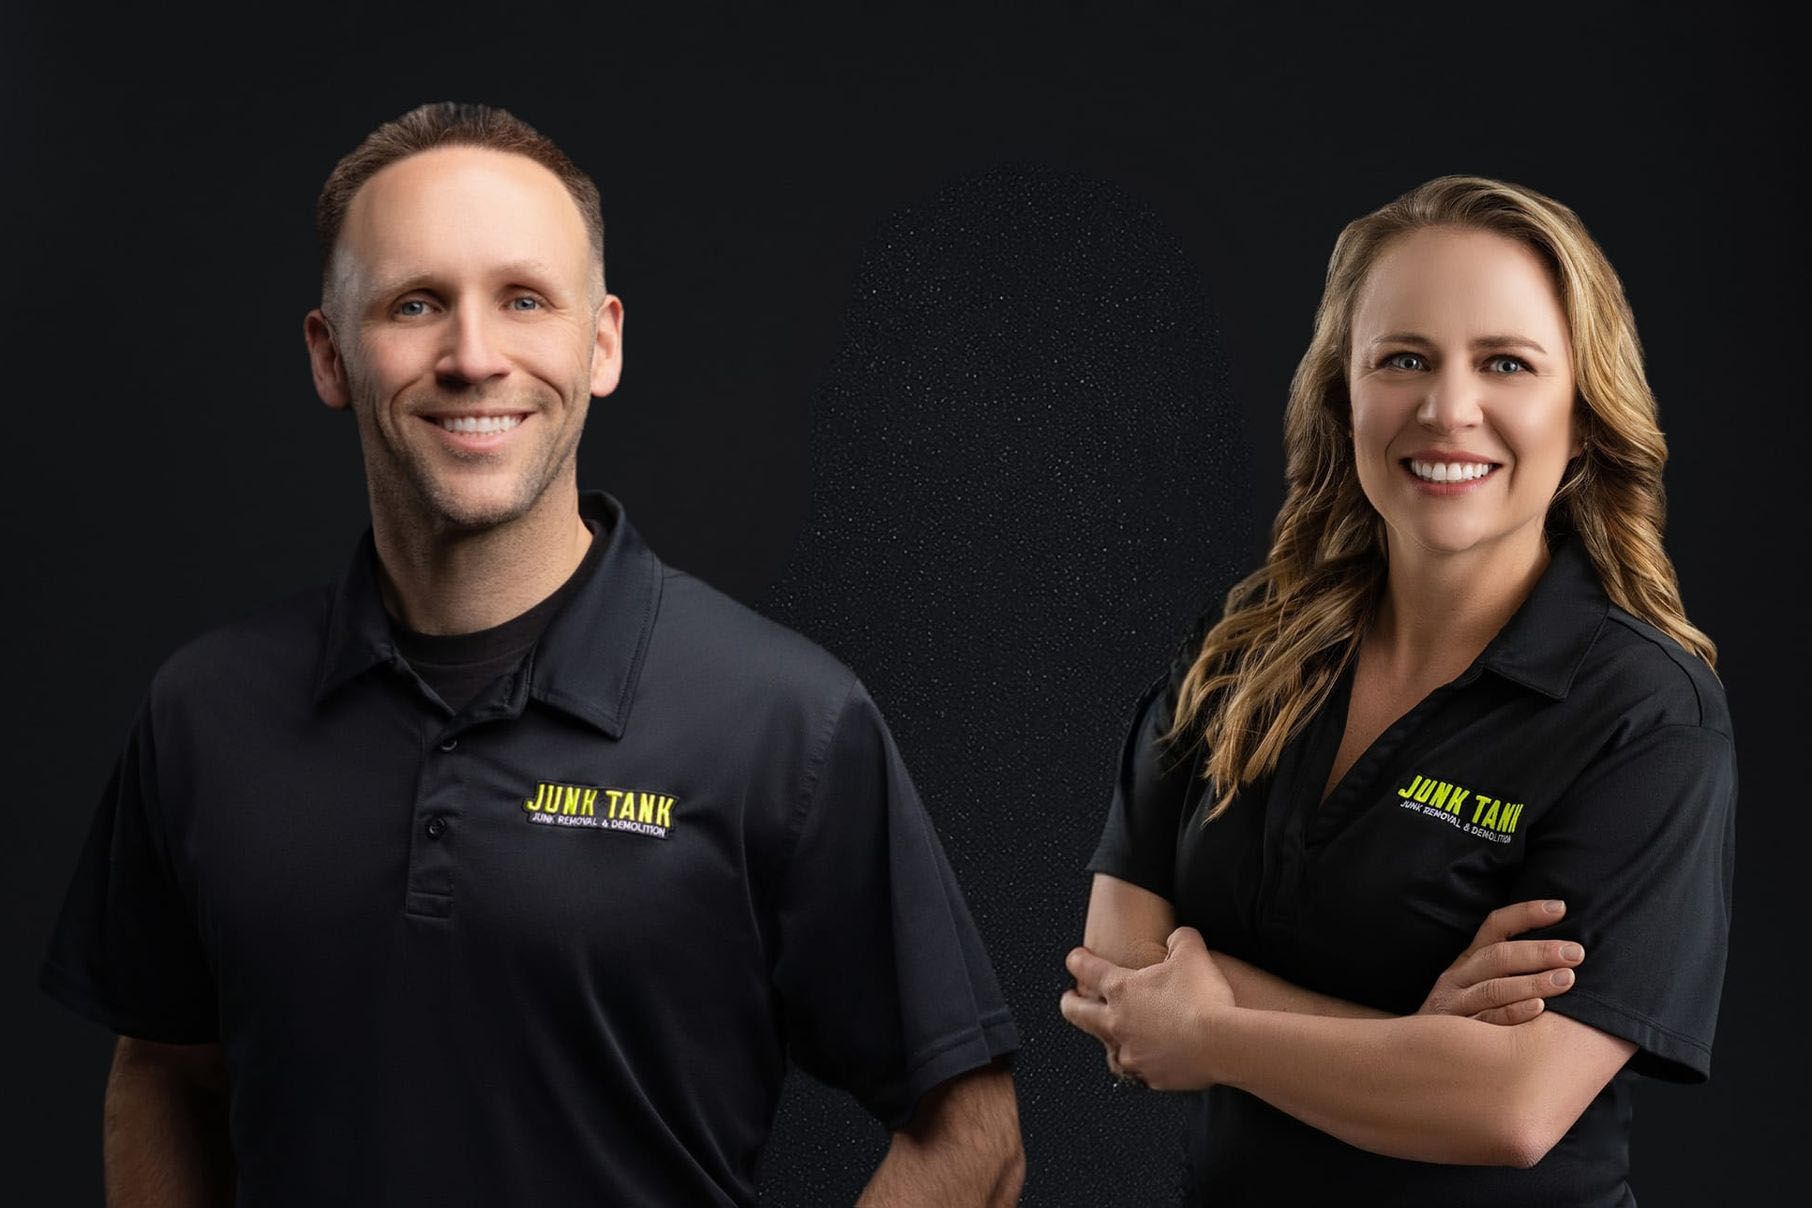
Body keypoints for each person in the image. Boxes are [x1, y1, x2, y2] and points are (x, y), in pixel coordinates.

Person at [40, 102, 1023, 1208]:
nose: (473, 356)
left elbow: (973, 1136)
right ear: (330, 354)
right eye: (416, 304)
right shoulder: (203, 714)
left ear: (599, 342)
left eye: (523, 299)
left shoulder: (786, 722)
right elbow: (163, 1072)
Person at [1060, 175, 1734, 1206]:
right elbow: (1116, 986)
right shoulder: (1245, 650)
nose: (1447, 408)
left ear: (1585, 415)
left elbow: (1512, 1108)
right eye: (1404, 359)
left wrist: (1216, 1028)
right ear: (1344, 394)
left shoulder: (1642, 714)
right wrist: (1418, 1042)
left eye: (1506, 362)